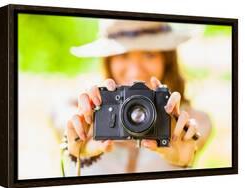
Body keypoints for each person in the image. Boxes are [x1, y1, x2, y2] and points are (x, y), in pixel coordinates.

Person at [65, 20, 211, 175]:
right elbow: (61, 117)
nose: (135, 70)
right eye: (123, 55)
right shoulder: (82, 109)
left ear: (166, 60)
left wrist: (182, 150)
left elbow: (200, 127)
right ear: (109, 61)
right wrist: (79, 135)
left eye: (149, 54)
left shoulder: (186, 121)